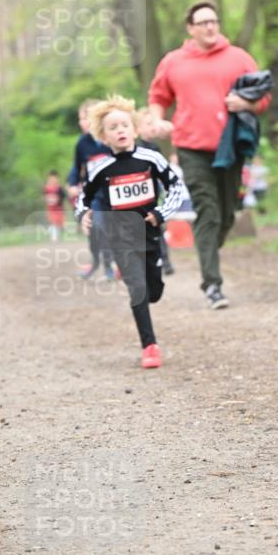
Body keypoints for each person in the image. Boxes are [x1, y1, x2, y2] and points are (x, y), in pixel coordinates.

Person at [147, 1, 271, 310]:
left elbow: (262, 95)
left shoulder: (239, 57)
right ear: (190, 28)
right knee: (208, 210)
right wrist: (157, 119)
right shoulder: (174, 61)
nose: (210, 27)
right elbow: (158, 97)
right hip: (191, 147)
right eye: (203, 22)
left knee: (227, 214)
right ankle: (212, 284)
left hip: (230, 146)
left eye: (214, 21)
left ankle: (206, 249)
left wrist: (247, 104)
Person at [75, 96, 187, 369]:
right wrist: (83, 214)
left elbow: (176, 188)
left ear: (135, 129)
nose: (120, 131)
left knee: (154, 291)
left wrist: (160, 214)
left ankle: (148, 288)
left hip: (150, 234)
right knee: (137, 289)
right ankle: (149, 346)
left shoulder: (151, 158)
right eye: (113, 128)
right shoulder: (101, 168)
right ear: (103, 136)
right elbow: (83, 197)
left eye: (125, 125)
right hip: (121, 236)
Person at [67, 99, 115, 280]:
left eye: (86, 118)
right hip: (95, 195)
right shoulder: (82, 143)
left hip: (114, 193)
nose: (82, 122)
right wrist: (72, 183)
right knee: (96, 229)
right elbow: (77, 167)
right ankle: (97, 263)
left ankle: (112, 267)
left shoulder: (110, 139)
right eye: (81, 118)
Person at [136, 108, 175, 275]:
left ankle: (165, 261)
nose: (153, 127)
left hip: (154, 196)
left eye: (154, 123)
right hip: (139, 197)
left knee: (158, 226)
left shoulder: (156, 148)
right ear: (138, 128)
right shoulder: (136, 148)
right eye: (148, 124)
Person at [42, 171, 66, 241]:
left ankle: (52, 232)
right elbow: (44, 197)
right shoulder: (46, 188)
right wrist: (48, 199)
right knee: (53, 222)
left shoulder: (59, 188)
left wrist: (57, 199)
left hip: (59, 208)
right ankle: (54, 237)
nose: (53, 180)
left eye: (54, 178)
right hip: (51, 208)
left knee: (60, 223)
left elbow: (63, 197)